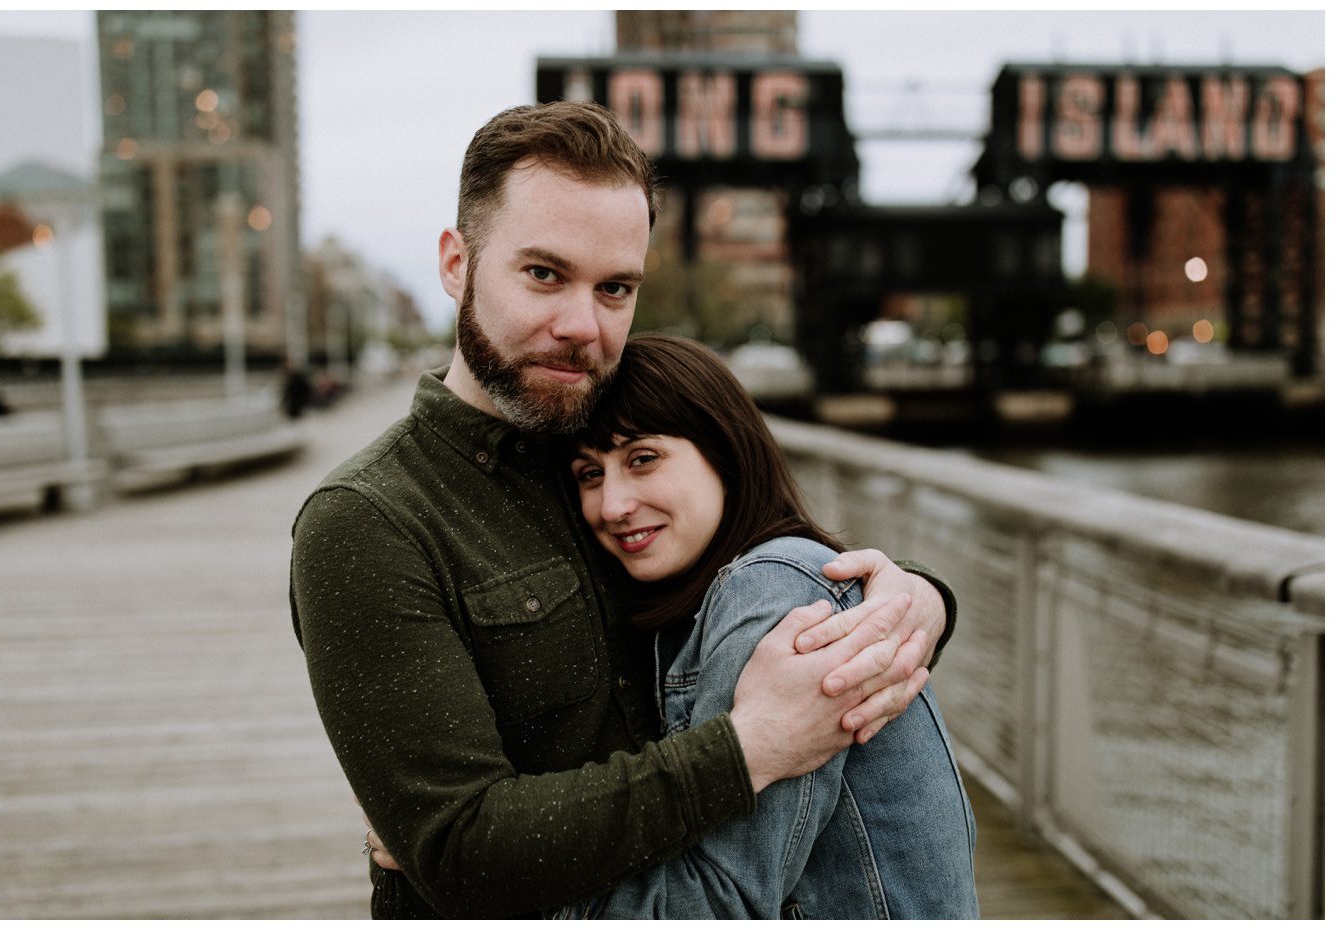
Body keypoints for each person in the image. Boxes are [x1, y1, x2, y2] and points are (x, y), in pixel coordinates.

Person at [290, 101, 957, 919]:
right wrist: (748, 749)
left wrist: (913, 600)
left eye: (615, 288)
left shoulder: (609, 453)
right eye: (544, 274)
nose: (581, 326)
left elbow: (753, 564)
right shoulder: (369, 522)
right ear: (456, 264)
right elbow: (461, 850)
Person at [554, 336, 978, 918]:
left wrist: (476, 887)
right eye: (588, 474)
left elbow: (721, 902)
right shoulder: (690, 601)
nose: (612, 505)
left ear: (722, 449)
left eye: (642, 458)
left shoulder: (772, 590)